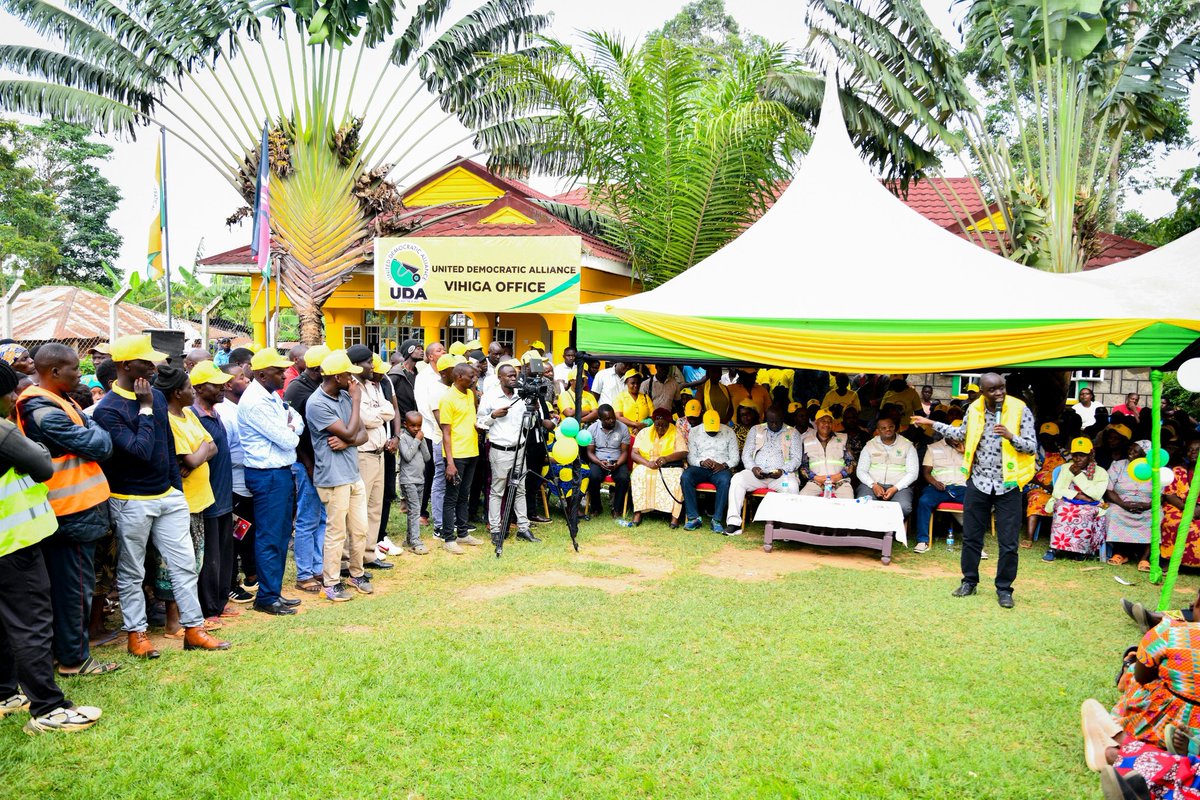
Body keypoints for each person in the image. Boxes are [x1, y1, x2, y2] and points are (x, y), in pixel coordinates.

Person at [92, 335, 230, 654]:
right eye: (146, 362)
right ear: (126, 366)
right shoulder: (108, 410)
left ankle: (193, 629)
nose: (154, 367)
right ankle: (136, 635)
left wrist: (175, 490)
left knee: (184, 565)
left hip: (167, 496)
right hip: (130, 500)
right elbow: (140, 450)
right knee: (132, 570)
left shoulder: (154, 395)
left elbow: (166, 446)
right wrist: (143, 409)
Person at [0, 359, 104, 735]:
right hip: (14, 543)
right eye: (10, 392)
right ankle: (48, 708)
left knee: (4, 623)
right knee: (32, 625)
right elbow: (42, 464)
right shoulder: (3, 430)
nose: (16, 397)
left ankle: (4, 693)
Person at [14, 344, 116, 676]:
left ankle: (67, 653)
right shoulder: (39, 408)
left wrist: (91, 428)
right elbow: (99, 445)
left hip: (79, 510)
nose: (80, 374)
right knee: (74, 588)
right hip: (69, 512)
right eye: (74, 368)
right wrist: (93, 429)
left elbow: (94, 434)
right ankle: (73, 659)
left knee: (73, 585)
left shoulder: (61, 400)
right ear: (55, 371)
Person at [913, 371, 1037, 609]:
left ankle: (1004, 589)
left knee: (1009, 542)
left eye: (1002, 387)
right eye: (993, 389)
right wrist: (931, 423)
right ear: (983, 392)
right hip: (979, 482)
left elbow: (1031, 447)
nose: (999, 393)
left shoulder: (1020, 409)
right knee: (971, 537)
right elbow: (960, 434)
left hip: (1009, 484)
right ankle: (969, 581)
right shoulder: (974, 409)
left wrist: (1011, 436)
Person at [238, 347, 304, 617]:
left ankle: (272, 592)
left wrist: (290, 426)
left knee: (280, 535)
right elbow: (288, 440)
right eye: (278, 371)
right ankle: (266, 597)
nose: (284, 375)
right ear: (262, 374)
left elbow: (297, 420)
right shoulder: (256, 401)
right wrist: (290, 429)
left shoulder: (270, 395)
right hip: (268, 475)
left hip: (279, 473)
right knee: (270, 537)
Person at [157, 365, 219, 634]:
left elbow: (212, 446)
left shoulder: (189, 414)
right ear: (176, 393)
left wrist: (199, 452)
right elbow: (192, 458)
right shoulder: (169, 420)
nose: (193, 392)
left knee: (195, 561)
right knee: (174, 563)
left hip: (200, 499)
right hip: (182, 502)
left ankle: (188, 615)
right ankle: (173, 621)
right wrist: (200, 451)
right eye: (189, 388)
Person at [305, 350, 371, 601]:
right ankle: (331, 582)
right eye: (349, 375)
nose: (353, 380)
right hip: (333, 477)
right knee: (336, 532)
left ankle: (356, 573)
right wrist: (356, 401)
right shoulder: (317, 404)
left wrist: (347, 441)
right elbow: (351, 430)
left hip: (352, 473)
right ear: (337, 377)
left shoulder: (344, 396)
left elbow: (361, 434)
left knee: (360, 529)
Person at [477, 362, 551, 548]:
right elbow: (479, 422)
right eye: (509, 375)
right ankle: (496, 529)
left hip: (520, 449)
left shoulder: (521, 395)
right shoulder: (490, 396)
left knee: (520, 489)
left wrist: (532, 411)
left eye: (514, 375)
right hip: (500, 450)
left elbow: (528, 425)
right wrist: (493, 416)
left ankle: (523, 528)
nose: (513, 378)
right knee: (497, 491)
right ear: (500, 378)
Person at [188, 362, 238, 627]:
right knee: (209, 556)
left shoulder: (215, 413)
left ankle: (220, 601)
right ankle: (208, 609)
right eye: (215, 384)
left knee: (224, 551)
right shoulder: (193, 417)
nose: (223, 388)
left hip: (223, 494)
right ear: (198, 388)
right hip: (206, 498)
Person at [283, 343, 330, 593]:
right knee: (307, 519)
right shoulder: (297, 389)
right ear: (318, 369)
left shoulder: (320, 386)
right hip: (306, 463)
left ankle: (317, 566)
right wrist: (308, 463)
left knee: (322, 518)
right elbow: (295, 431)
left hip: (323, 462)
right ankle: (304, 573)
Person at [347, 345, 394, 569]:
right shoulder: (350, 388)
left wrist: (377, 416)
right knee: (358, 508)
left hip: (379, 454)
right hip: (362, 455)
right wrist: (378, 416)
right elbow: (364, 419)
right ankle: (350, 558)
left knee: (375, 507)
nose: (372, 366)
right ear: (357, 364)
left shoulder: (373, 386)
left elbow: (389, 411)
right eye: (368, 362)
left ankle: (368, 554)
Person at [725, 406, 802, 534]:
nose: (774, 425)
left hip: (780, 476)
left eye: (777, 422)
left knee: (792, 485)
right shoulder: (756, 429)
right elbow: (746, 454)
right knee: (737, 479)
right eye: (771, 422)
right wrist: (753, 467)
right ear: (766, 419)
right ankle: (734, 523)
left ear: (783, 419)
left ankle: (787, 526)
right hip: (757, 474)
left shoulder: (793, 433)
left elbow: (797, 459)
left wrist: (782, 470)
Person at [216, 364, 256, 604]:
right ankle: (230, 584)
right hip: (232, 486)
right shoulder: (224, 413)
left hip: (247, 483)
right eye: (241, 377)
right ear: (228, 384)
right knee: (233, 537)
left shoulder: (242, 406)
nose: (247, 380)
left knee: (247, 533)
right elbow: (226, 454)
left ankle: (250, 575)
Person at [440, 362, 485, 554]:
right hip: (456, 455)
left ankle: (463, 533)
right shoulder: (448, 399)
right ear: (459, 377)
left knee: (463, 495)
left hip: (472, 452)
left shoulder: (469, 394)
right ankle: (448, 538)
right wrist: (450, 463)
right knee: (451, 497)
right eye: (471, 376)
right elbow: (446, 432)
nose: (474, 379)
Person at [1044, 437, 1109, 561]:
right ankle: (1054, 548)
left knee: (1085, 512)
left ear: (1091, 454)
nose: (1077, 459)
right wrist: (1079, 496)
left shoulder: (1101, 473)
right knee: (1063, 508)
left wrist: (1078, 475)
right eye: (1075, 455)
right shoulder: (1065, 468)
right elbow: (1057, 491)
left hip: (1092, 504)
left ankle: (1080, 551)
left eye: (1082, 455)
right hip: (1068, 501)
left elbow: (1096, 495)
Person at [681, 410, 740, 534]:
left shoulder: (729, 432)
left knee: (725, 480)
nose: (712, 433)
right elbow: (691, 457)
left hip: (720, 469)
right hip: (700, 467)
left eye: (715, 430)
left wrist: (723, 465)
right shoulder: (694, 431)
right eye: (709, 430)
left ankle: (717, 520)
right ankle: (693, 518)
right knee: (686, 476)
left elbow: (735, 458)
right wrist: (702, 462)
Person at [629, 407, 688, 527]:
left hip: (669, 465)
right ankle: (638, 512)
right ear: (654, 422)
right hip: (646, 463)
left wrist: (666, 459)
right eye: (657, 425)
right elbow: (634, 454)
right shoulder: (644, 432)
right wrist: (648, 463)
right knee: (638, 474)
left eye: (664, 425)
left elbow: (683, 452)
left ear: (669, 423)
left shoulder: (676, 432)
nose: (660, 428)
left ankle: (674, 517)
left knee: (677, 477)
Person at [913, 421, 967, 553]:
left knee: (976, 504)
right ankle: (922, 541)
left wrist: (965, 452)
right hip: (939, 487)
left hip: (962, 487)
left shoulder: (969, 448)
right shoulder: (933, 447)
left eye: (960, 434)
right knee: (924, 501)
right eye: (954, 434)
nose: (957, 437)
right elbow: (926, 472)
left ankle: (976, 544)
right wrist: (934, 482)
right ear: (946, 432)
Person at [415, 344, 450, 534]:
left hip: (447, 431)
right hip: (431, 430)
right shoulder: (423, 377)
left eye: (444, 350)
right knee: (429, 472)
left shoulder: (449, 374)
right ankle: (422, 512)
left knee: (442, 473)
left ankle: (445, 512)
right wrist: (440, 423)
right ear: (430, 356)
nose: (443, 352)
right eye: (439, 350)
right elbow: (423, 406)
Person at [855, 415, 919, 518]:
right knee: (863, 505)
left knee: (903, 507)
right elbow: (861, 470)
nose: (888, 430)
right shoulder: (869, 445)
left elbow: (913, 473)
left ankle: (887, 526)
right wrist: (873, 485)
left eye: (891, 427)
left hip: (899, 487)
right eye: (883, 428)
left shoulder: (907, 446)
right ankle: (876, 526)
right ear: (878, 431)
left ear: (895, 427)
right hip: (872, 485)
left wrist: (895, 488)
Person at [1106, 440, 1154, 571]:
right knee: (1113, 512)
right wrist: (1123, 504)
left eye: (1135, 451)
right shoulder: (1118, 465)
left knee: (1156, 517)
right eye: (1130, 449)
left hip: (1147, 505)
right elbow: (1109, 490)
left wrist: (1147, 506)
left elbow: (1161, 494)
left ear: (1145, 454)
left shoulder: (1155, 469)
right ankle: (1120, 553)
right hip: (1120, 503)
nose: (1130, 453)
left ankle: (1145, 559)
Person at [1023, 423, 1066, 549]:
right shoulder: (1036, 453)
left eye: (1050, 437)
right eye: (1044, 437)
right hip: (1039, 487)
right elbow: (1028, 474)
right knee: (1035, 498)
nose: (1047, 440)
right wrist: (1045, 486)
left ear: (1056, 437)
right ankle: (1029, 537)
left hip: (1060, 488)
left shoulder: (1065, 454)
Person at [586, 405, 631, 519]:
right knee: (592, 476)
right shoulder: (592, 429)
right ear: (600, 419)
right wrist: (599, 462)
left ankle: (617, 509)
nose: (612, 420)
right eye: (607, 419)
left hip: (618, 460)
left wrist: (617, 464)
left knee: (624, 478)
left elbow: (625, 452)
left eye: (613, 417)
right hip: (599, 460)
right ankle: (596, 508)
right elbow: (590, 452)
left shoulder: (623, 428)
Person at [1161, 437, 1200, 568]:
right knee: (1173, 522)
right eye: (1190, 450)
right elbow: (1169, 494)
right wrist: (1186, 508)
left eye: (1197, 450)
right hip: (1179, 507)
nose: (1193, 452)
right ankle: (1169, 561)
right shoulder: (1178, 471)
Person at [798, 410, 854, 499]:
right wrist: (816, 478)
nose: (826, 424)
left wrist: (839, 476)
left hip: (840, 482)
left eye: (829, 421)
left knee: (848, 501)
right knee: (802, 499)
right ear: (816, 422)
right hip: (816, 482)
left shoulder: (843, 438)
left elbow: (851, 463)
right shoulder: (806, 441)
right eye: (823, 421)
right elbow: (803, 466)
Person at [396, 411, 430, 554]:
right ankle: (416, 542)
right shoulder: (403, 438)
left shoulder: (420, 438)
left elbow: (427, 457)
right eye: (413, 425)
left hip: (420, 479)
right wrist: (417, 440)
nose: (416, 429)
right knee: (415, 510)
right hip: (408, 480)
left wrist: (421, 441)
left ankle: (410, 539)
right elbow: (408, 456)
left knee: (414, 510)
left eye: (419, 426)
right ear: (405, 424)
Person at [614, 370, 653, 434]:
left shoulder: (646, 397)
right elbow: (618, 417)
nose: (636, 385)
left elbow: (653, 416)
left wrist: (642, 426)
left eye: (638, 383)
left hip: (643, 434)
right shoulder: (620, 397)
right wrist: (635, 424)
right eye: (632, 383)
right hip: (625, 434)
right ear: (626, 382)